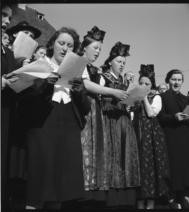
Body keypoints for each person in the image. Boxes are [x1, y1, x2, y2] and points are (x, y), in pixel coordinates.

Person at [15, 27, 89, 210]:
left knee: (61, 187)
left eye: (70, 46)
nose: (65, 48)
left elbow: (85, 109)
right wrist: (45, 86)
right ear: (52, 44)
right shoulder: (39, 65)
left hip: (68, 126)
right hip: (43, 125)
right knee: (40, 182)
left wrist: (80, 91)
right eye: (61, 43)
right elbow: (24, 102)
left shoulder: (76, 70)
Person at [79, 26, 128, 206]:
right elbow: (87, 85)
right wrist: (112, 91)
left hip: (95, 109)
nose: (98, 52)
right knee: (85, 146)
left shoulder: (93, 68)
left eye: (100, 49)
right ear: (84, 47)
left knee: (96, 148)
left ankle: (94, 193)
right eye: (95, 48)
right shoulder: (79, 62)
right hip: (83, 108)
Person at [99, 41, 140, 208]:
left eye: (124, 62)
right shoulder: (103, 77)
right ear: (110, 61)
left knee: (125, 155)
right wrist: (116, 99)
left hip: (124, 122)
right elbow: (99, 100)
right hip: (110, 121)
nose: (122, 65)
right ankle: (111, 198)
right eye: (119, 61)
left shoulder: (124, 80)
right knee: (113, 155)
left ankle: (126, 199)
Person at [158, 69, 189, 209]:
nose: (176, 82)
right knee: (173, 166)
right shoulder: (162, 97)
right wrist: (173, 117)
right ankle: (173, 198)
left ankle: (186, 197)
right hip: (171, 136)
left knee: (187, 166)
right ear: (168, 81)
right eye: (173, 79)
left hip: (186, 138)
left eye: (179, 80)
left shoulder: (187, 99)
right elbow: (160, 117)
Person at [133, 64, 170, 209]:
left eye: (146, 83)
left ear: (151, 85)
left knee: (151, 166)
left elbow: (151, 113)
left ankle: (151, 204)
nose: (143, 85)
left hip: (152, 136)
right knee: (139, 165)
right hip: (137, 132)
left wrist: (144, 98)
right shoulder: (135, 97)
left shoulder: (156, 97)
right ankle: (139, 203)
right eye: (141, 83)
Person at [1, 2, 19, 210]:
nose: (7, 22)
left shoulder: (7, 51)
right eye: (3, 16)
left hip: (5, 113)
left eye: (9, 17)